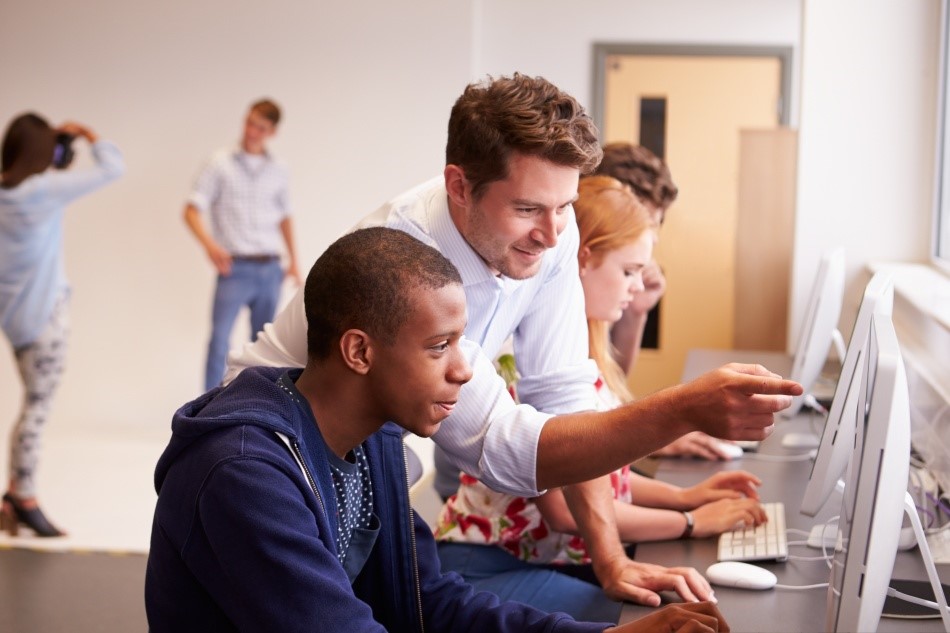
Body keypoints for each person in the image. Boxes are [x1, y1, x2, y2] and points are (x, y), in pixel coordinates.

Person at [226, 73, 803, 607]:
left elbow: (566, 398)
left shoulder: (550, 226)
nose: (553, 235)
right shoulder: (408, 258)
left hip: (372, 457)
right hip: (282, 451)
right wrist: (684, 409)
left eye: (565, 207)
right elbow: (509, 453)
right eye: (527, 208)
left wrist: (609, 560)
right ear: (459, 185)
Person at [145, 227, 731, 633]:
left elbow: (427, 599)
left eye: (462, 341)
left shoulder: (370, 441)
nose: (463, 369)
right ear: (358, 351)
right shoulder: (243, 475)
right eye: (439, 346)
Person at [434, 176, 767, 621]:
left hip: (538, 557)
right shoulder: (522, 365)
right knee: (648, 616)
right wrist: (691, 521)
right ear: (583, 260)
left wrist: (686, 497)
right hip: (483, 570)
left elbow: (606, 479)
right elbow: (563, 510)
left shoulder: (584, 358)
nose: (634, 291)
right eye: (628, 271)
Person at [0, 113, 124, 536]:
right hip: (46, 322)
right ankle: (23, 497)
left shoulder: (8, 191)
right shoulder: (43, 192)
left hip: (14, 323)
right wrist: (90, 135)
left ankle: (15, 494)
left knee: (30, 404)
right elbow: (113, 168)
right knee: (37, 408)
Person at [595, 143, 730, 461]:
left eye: (655, 225)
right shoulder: (586, 280)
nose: (650, 239)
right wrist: (652, 439)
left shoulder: (618, 282)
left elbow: (609, 389)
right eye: (641, 222)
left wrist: (637, 311)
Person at [183, 98, 301, 391]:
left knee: (265, 347)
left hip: (270, 267)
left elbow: (284, 216)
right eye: (249, 123)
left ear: (272, 132)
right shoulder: (219, 163)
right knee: (220, 339)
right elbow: (191, 209)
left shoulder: (278, 169)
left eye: (260, 127)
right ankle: (208, 409)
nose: (252, 132)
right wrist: (210, 246)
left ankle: (254, 407)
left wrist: (293, 260)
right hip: (234, 267)